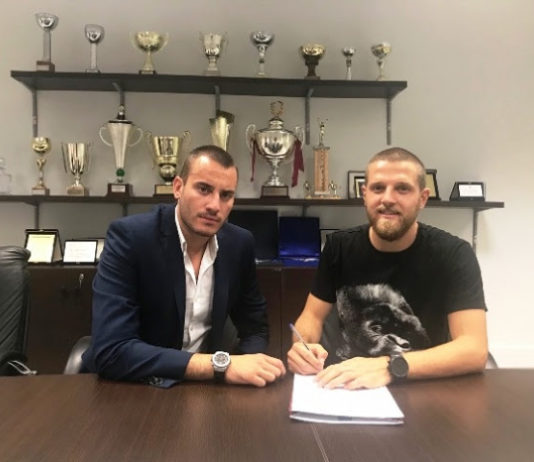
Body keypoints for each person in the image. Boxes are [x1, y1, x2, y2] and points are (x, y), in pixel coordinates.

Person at [82, 145, 286, 388]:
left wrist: (243, 369)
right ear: (178, 187)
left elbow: (256, 329)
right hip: (131, 387)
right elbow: (112, 350)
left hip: (202, 390)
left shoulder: (239, 244)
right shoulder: (131, 238)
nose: (214, 205)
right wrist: (221, 365)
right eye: (204, 189)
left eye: (226, 195)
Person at [287, 147, 488, 389]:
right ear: (365, 194)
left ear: (423, 198)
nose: (388, 199)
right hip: (345, 389)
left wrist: (391, 365)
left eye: (402, 189)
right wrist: (303, 347)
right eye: (378, 188)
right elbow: (312, 317)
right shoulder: (338, 247)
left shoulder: (454, 254)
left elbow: (474, 349)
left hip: (422, 387)